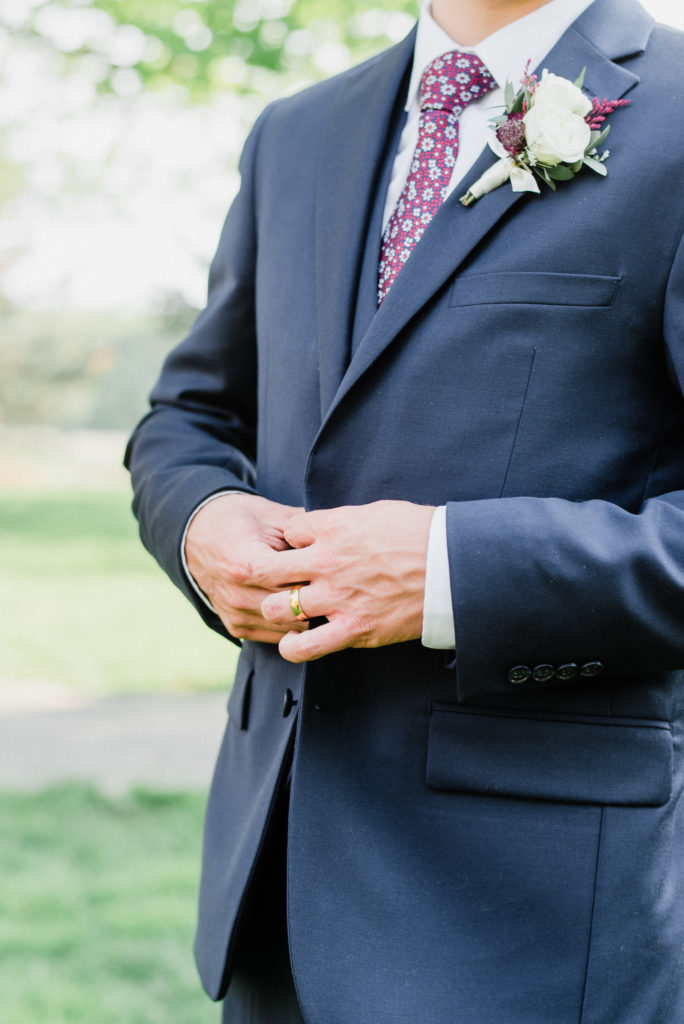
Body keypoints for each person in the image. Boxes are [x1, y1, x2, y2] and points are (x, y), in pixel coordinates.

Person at [125, 0, 684, 1020]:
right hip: (277, 880)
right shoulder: (296, 132)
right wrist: (202, 523)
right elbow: (190, 414)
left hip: (537, 913)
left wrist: (448, 572)